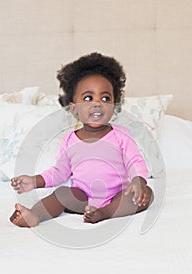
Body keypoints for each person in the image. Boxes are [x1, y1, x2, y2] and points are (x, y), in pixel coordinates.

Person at [10, 52, 153, 227]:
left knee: (147, 195)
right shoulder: (70, 140)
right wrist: (35, 181)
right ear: (74, 108)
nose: (97, 103)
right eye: (88, 98)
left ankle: (103, 213)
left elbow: (135, 162)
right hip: (82, 198)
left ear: (114, 105)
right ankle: (35, 215)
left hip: (118, 196)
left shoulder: (121, 135)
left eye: (105, 98)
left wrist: (139, 181)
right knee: (62, 193)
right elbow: (59, 172)